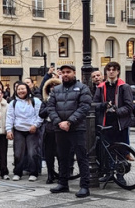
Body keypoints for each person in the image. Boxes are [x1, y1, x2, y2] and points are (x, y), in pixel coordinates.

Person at [46, 65, 93, 197]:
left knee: (81, 157)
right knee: (62, 157)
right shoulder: (56, 90)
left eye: (68, 72)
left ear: (74, 73)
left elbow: (84, 107)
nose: (65, 74)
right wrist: (58, 122)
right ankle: (63, 183)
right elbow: (50, 107)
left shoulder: (83, 88)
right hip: (60, 128)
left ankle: (84, 186)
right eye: (63, 72)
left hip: (77, 128)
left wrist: (70, 121)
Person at [94, 61, 134, 177]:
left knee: (121, 150)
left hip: (119, 123)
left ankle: (121, 176)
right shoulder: (101, 87)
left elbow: (129, 106)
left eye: (114, 70)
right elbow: (94, 104)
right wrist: (103, 106)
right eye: (109, 70)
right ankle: (109, 174)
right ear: (106, 72)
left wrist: (117, 111)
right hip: (105, 123)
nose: (111, 72)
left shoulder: (124, 87)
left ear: (118, 72)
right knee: (107, 151)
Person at [6, 82, 42, 181]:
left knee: (32, 153)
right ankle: (17, 172)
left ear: (27, 89)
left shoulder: (35, 101)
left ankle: (33, 172)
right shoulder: (13, 103)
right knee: (18, 153)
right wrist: (9, 130)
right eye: (19, 89)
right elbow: (10, 117)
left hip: (32, 130)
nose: (21, 91)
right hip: (18, 130)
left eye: (23, 89)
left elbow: (39, 115)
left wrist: (35, 125)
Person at [40, 77, 62, 184]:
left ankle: (62, 174)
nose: (53, 88)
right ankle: (50, 174)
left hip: (60, 128)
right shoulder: (45, 100)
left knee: (60, 153)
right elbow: (41, 114)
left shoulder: (63, 99)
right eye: (51, 87)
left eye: (55, 86)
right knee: (48, 154)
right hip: (49, 129)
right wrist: (49, 104)